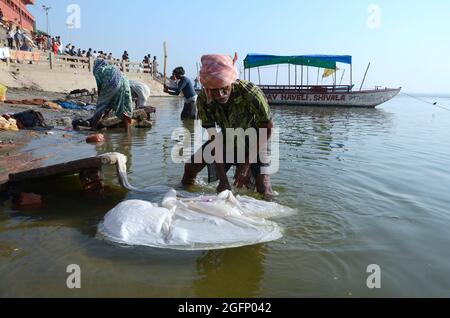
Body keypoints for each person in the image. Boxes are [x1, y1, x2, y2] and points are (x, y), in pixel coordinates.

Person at [181, 53, 274, 200]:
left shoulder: (250, 93)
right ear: (206, 87)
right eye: (213, 90)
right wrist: (223, 180)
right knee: (191, 167)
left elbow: (268, 127)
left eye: (224, 88)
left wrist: (245, 166)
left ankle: (269, 209)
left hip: (256, 139)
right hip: (227, 138)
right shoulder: (203, 100)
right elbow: (214, 139)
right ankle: (184, 196)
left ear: (231, 82)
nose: (219, 94)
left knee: (263, 185)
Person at [89, 59, 134, 132]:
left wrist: (100, 99)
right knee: (124, 106)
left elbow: (100, 86)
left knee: (101, 105)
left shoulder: (98, 70)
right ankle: (127, 131)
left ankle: (94, 127)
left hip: (112, 83)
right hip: (125, 82)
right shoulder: (112, 67)